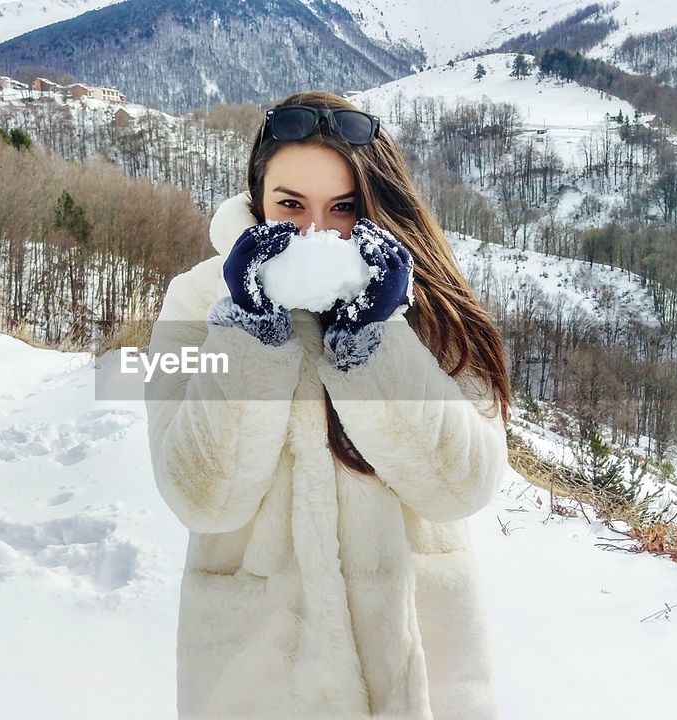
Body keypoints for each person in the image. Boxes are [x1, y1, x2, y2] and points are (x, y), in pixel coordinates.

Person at [143, 90, 513, 719]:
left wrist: (376, 342)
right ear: (258, 196)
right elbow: (199, 497)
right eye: (290, 204)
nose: (315, 231)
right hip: (258, 675)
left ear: (374, 205)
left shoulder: (430, 302)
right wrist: (247, 335)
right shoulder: (194, 302)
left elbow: (465, 487)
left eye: (342, 208)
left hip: (420, 669)